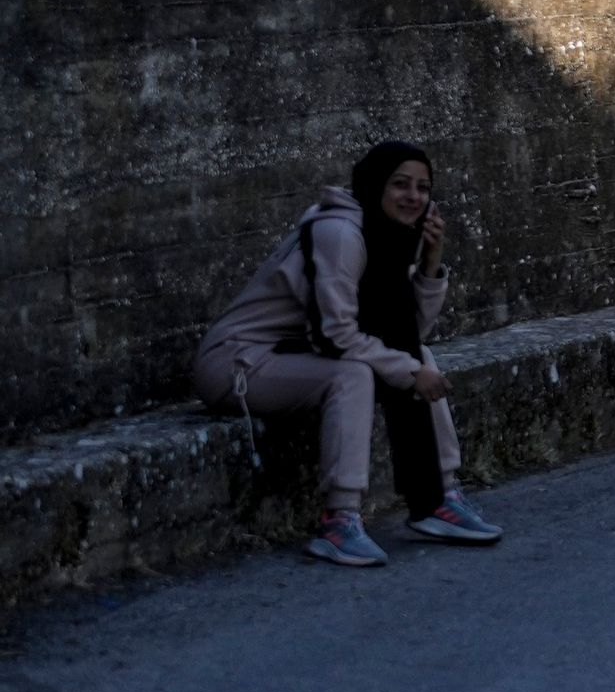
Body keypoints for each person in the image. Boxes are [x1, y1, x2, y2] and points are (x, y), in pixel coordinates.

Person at [194, 140, 505, 567]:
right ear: (375, 185)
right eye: (400, 184)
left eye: (423, 187)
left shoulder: (386, 236)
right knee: (355, 374)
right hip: (238, 363)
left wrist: (431, 264)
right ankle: (338, 521)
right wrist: (407, 370)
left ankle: (439, 497)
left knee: (422, 358)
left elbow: (408, 335)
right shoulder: (340, 234)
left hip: (295, 354)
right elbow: (335, 335)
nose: (413, 197)